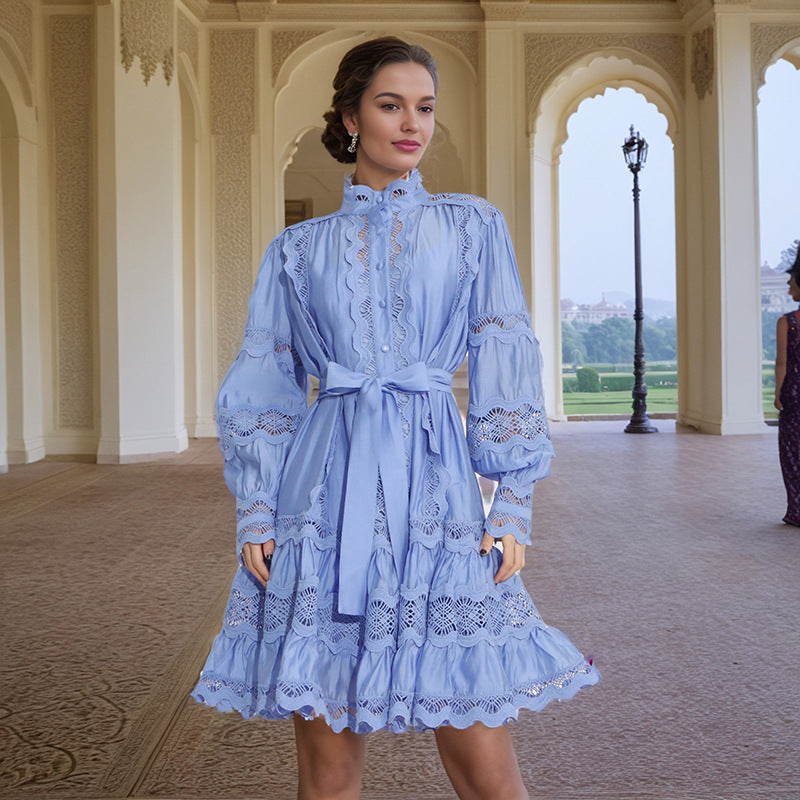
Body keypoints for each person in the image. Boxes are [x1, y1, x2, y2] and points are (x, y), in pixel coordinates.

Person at [192, 37, 599, 800]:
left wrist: (511, 500)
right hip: (323, 499)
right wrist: (256, 509)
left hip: (438, 492)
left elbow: (502, 352)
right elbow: (267, 382)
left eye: (424, 107)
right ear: (350, 118)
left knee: (486, 768)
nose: (412, 124)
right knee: (329, 771)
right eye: (390, 105)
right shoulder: (297, 250)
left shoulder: (473, 226)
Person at [774, 246, 800, 527]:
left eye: (792, 281)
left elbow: (782, 362)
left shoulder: (788, 321)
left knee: (793, 452)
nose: (788, 284)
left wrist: (777, 392)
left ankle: (797, 509)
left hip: (794, 395)